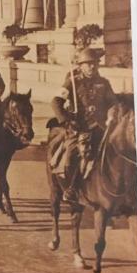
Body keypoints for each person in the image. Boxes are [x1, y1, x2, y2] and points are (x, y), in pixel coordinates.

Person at [50, 47, 118, 202]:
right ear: (80, 66)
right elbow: (55, 102)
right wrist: (66, 120)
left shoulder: (104, 83)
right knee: (73, 154)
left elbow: (113, 103)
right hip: (79, 128)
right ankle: (72, 188)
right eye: (87, 64)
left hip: (101, 127)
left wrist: (111, 115)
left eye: (93, 63)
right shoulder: (73, 82)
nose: (91, 67)